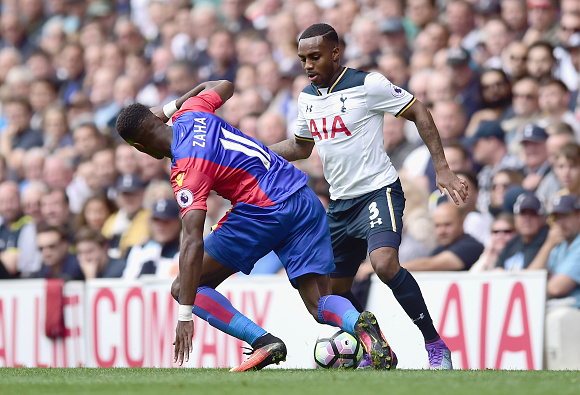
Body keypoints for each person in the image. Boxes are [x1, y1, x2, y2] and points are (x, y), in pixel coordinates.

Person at [115, 79, 396, 371]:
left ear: (139, 146)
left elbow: (192, 241)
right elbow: (223, 84)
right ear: (156, 118)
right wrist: (172, 106)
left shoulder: (186, 171)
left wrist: (185, 315)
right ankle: (360, 324)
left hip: (261, 213)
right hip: (301, 196)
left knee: (184, 286)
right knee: (320, 303)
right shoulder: (193, 111)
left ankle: (262, 341)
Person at [269, 23, 470, 370]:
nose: (307, 65)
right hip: (341, 204)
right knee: (331, 295)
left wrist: (442, 168)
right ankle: (378, 348)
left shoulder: (367, 84)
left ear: (335, 53)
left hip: (378, 192)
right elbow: (301, 147)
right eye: (302, 59)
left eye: (315, 57)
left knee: (384, 264)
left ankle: (435, 345)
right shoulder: (307, 98)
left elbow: (418, 110)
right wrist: (254, 151)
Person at [528, 194, 580, 316]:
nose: (560, 223)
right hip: (557, 310)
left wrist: (528, 290)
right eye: (557, 218)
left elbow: (556, 288)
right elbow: (530, 276)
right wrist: (548, 246)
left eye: (565, 216)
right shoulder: (561, 242)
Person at [403, 202, 484, 271]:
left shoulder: (471, 247)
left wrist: (394, 269)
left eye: (447, 225)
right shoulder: (438, 250)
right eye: (437, 225)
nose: (442, 231)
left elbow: (429, 265)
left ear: (461, 224)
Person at [495, 192, 549, 271]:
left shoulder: (549, 240)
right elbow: (498, 268)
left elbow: (533, 276)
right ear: (515, 218)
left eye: (533, 213)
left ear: (543, 218)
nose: (527, 219)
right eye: (523, 213)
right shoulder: (513, 242)